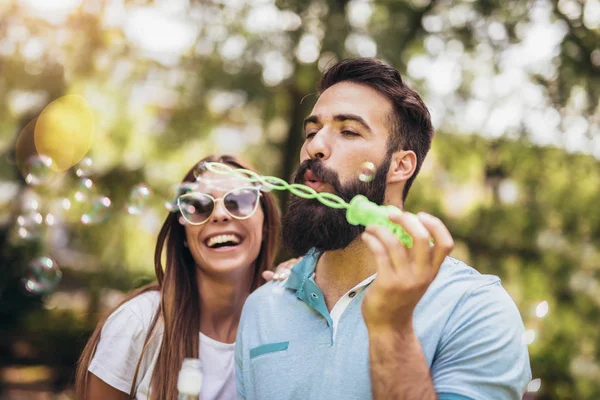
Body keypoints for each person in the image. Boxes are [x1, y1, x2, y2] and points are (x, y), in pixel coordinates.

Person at [235, 58, 532, 400]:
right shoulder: (262, 308)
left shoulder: (474, 309)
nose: (314, 147)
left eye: (348, 131)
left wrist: (392, 326)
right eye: (311, 132)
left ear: (401, 165)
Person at [75, 154, 295, 400]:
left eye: (240, 201)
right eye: (199, 206)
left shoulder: (287, 322)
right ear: (183, 234)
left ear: (265, 225)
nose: (220, 214)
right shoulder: (138, 324)